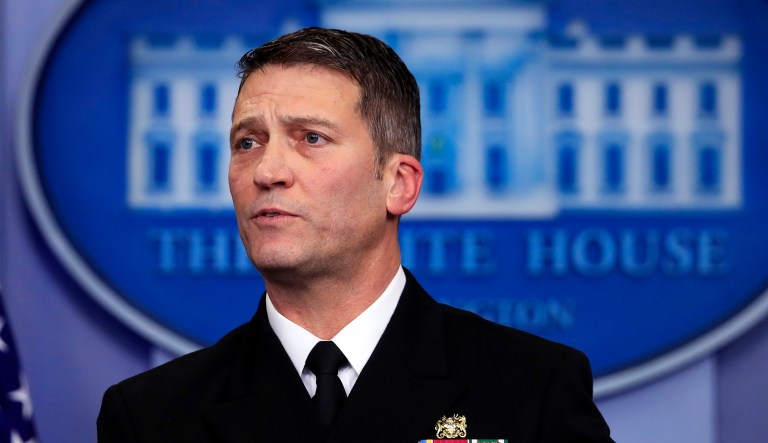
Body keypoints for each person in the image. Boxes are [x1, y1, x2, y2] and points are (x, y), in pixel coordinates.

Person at [97, 27, 613, 442]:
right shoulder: (149, 416)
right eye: (248, 142)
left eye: (311, 138)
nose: (267, 171)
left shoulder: (533, 388)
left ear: (399, 184)